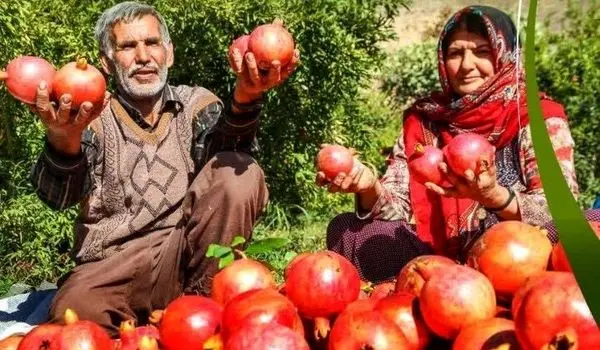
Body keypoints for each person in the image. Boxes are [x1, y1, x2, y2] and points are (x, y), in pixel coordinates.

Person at [26, 1, 298, 336]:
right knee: (74, 312)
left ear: (168, 53)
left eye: (152, 43)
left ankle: (202, 309)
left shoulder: (196, 104)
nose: (143, 57)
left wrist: (245, 97)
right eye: (127, 46)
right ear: (107, 62)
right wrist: (62, 137)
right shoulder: (90, 115)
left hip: (187, 255)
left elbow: (232, 155)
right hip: (114, 265)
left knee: (239, 172)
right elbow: (57, 197)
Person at [317, 5, 580, 283]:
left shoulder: (537, 116)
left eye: (482, 52)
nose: (467, 65)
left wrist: (494, 197)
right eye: (455, 53)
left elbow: (561, 207)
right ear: (443, 60)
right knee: (347, 228)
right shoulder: (424, 122)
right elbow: (395, 210)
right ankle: (439, 290)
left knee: (588, 222)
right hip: (433, 263)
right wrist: (369, 186)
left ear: (506, 55)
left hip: (516, 259)